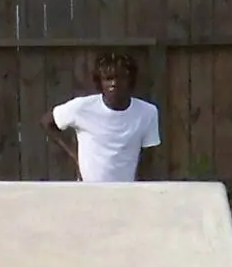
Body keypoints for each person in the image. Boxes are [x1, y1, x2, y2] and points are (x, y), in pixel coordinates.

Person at [49, 51, 161, 181]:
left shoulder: (147, 112)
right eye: (108, 78)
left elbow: (148, 155)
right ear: (99, 82)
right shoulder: (82, 107)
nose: (114, 83)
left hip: (127, 192)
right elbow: (47, 122)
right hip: (89, 191)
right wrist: (75, 155)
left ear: (131, 80)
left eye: (121, 77)